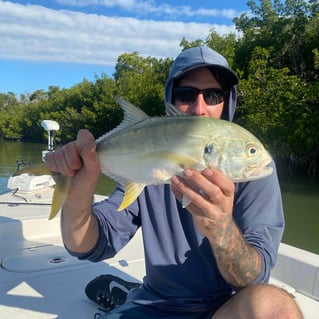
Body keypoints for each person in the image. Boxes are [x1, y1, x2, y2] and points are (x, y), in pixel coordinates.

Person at [45, 46, 303, 318]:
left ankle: (122, 293)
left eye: (213, 95)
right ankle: (129, 297)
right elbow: (93, 245)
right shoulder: (147, 165)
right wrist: (76, 198)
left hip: (225, 305)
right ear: (171, 99)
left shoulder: (255, 173)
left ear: (226, 101)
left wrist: (221, 229)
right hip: (156, 304)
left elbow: (254, 279)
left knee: (276, 306)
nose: (199, 108)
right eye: (186, 95)